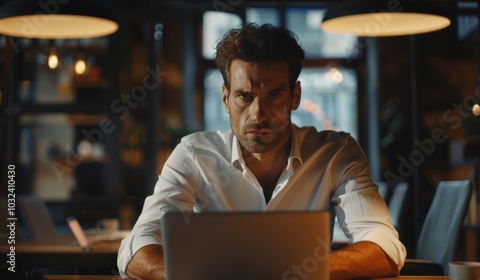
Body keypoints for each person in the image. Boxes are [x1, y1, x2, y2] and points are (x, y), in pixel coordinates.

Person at [117, 22, 406, 279]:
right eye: (244, 96)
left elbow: (384, 245)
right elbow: (135, 248)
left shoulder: (336, 152)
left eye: (274, 95)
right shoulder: (194, 154)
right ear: (226, 98)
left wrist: (300, 273)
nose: (258, 114)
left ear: (295, 97)